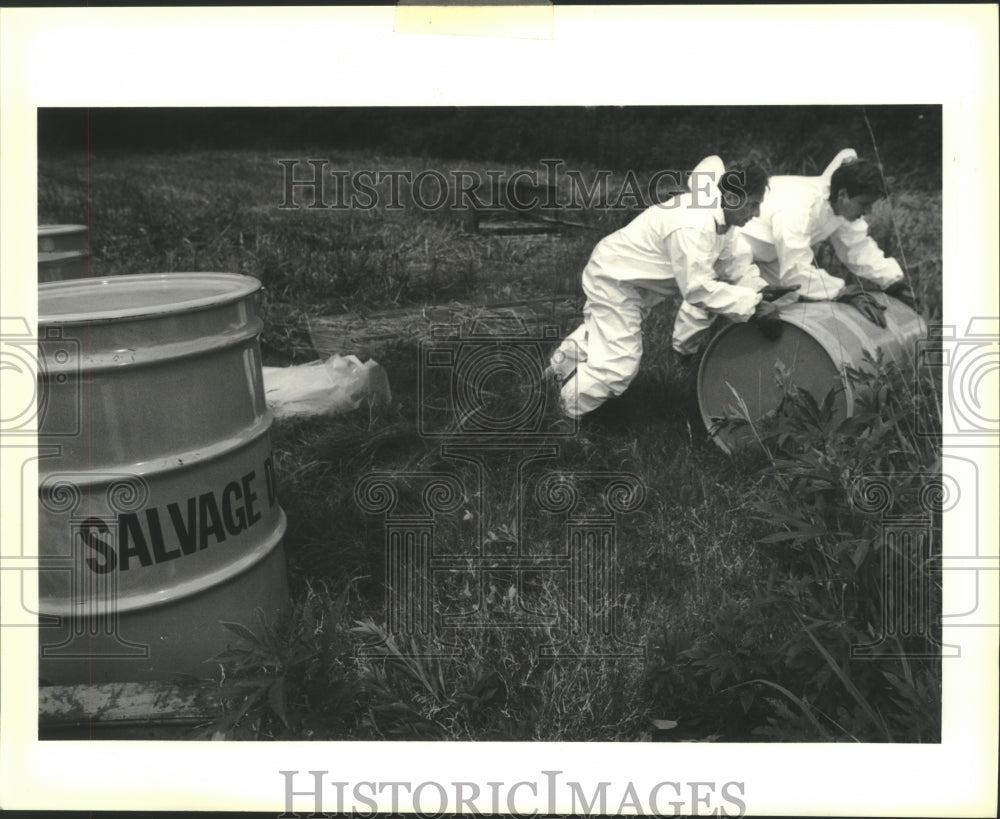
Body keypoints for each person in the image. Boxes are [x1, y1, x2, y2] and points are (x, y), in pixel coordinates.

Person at [547, 156, 787, 420]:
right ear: (732, 198)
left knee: (599, 334)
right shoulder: (693, 224)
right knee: (619, 364)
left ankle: (553, 378)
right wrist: (753, 306)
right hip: (614, 279)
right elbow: (697, 290)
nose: (756, 214)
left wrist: (759, 291)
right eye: (753, 205)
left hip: (629, 280)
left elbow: (737, 264)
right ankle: (565, 414)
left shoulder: (723, 223)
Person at [672, 148, 915, 354]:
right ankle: (683, 351)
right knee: (710, 292)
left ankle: (759, 347)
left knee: (785, 297)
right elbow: (796, 270)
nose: (868, 211)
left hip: (772, 252)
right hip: (741, 236)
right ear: (843, 194)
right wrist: (844, 292)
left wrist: (894, 282)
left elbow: (858, 248)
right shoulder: (798, 206)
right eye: (865, 204)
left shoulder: (840, 209)